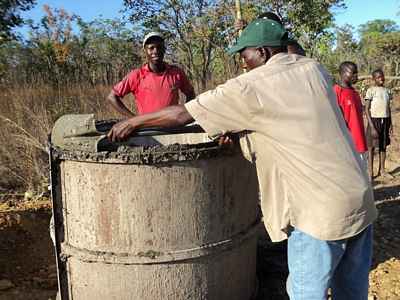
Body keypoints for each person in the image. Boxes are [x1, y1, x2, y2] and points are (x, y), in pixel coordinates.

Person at [108, 19, 377, 300]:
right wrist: (239, 138)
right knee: (352, 293)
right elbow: (287, 125)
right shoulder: (315, 69)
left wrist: (134, 123)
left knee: (307, 294)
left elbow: (182, 115)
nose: (243, 62)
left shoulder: (252, 85)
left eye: (244, 54)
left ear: (262, 52)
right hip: (359, 199)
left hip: (318, 216)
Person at [107, 32, 195, 117]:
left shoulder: (176, 73)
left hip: (174, 127)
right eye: (151, 48)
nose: (155, 51)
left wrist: (184, 114)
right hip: (148, 129)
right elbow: (112, 97)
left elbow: (190, 93)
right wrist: (134, 119)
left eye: (159, 47)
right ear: (145, 51)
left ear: (164, 50)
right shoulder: (136, 75)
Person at [333, 62, 368, 159]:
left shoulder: (355, 93)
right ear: (342, 73)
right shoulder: (336, 91)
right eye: (353, 72)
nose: (356, 75)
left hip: (360, 142)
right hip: (348, 146)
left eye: (356, 72)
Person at [365, 69, 394, 179]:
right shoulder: (371, 91)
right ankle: (370, 172)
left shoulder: (388, 91)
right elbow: (367, 109)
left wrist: (390, 123)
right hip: (374, 121)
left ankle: (382, 170)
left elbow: (388, 108)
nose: (381, 78)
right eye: (378, 77)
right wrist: (372, 127)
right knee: (371, 147)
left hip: (385, 120)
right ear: (373, 79)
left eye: (382, 76)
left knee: (383, 146)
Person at [234, 12, 305, 56]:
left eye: (270, 28)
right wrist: (247, 29)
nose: (267, 31)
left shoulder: (291, 47)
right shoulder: (258, 47)